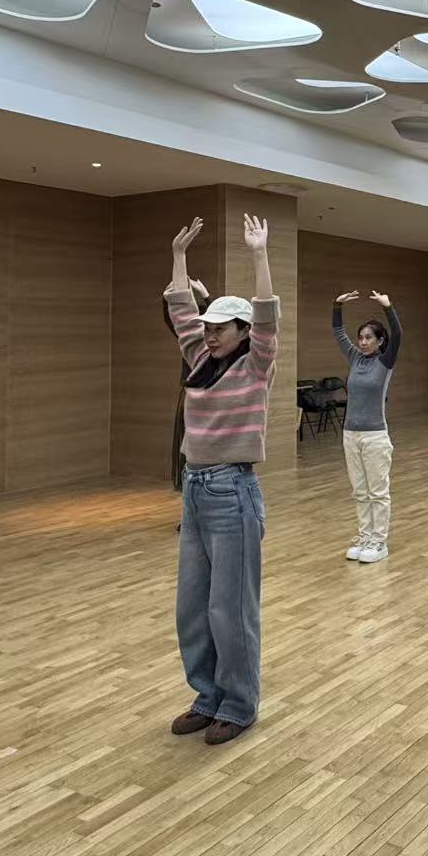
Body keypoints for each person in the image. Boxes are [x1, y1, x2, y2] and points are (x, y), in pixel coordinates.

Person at [165, 214, 278, 746]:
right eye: (207, 328)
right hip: (195, 489)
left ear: (243, 332)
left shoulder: (256, 365)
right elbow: (180, 311)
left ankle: (238, 704)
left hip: (233, 492)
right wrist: (178, 256)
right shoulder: (198, 358)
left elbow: (268, 316)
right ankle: (207, 696)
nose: (209, 334)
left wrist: (259, 254)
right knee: (192, 608)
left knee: (230, 609)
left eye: (220, 328)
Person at [334, 290, 403, 563]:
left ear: (379, 341)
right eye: (360, 337)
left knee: (377, 492)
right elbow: (338, 332)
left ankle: (379, 541)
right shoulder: (354, 358)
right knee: (360, 491)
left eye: (368, 338)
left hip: (375, 436)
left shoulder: (385, 362)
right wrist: (337, 306)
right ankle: (364, 536)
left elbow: (398, 335)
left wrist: (388, 307)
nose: (362, 342)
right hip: (351, 434)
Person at [164, 278, 211, 496]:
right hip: (193, 394)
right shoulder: (192, 344)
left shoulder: (216, 343)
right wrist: (169, 298)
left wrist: (206, 296)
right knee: (189, 448)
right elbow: (174, 319)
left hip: (210, 396)